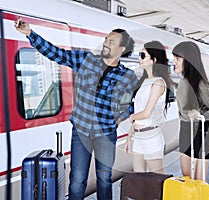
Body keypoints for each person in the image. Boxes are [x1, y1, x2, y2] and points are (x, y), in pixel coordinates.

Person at [15, 19, 138, 200]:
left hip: (106, 134)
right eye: (106, 39)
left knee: (104, 179)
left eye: (111, 41)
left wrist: (117, 120)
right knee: (77, 180)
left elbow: (130, 105)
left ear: (121, 49)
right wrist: (29, 34)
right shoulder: (86, 60)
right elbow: (57, 54)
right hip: (81, 131)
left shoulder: (127, 75)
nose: (105, 42)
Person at [172, 41, 209, 180]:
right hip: (186, 128)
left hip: (203, 130)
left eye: (178, 59)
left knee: (199, 180)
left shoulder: (200, 84)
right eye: (174, 58)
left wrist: (200, 114)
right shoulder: (183, 79)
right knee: (186, 177)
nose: (174, 62)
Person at [124, 41, 173, 174]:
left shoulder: (159, 83)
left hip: (151, 137)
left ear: (154, 59)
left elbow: (146, 113)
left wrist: (131, 116)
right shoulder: (144, 81)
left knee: (156, 182)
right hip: (138, 137)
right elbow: (140, 113)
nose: (139, 58)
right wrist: (129, 136)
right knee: (139, 181)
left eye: (142, 55)